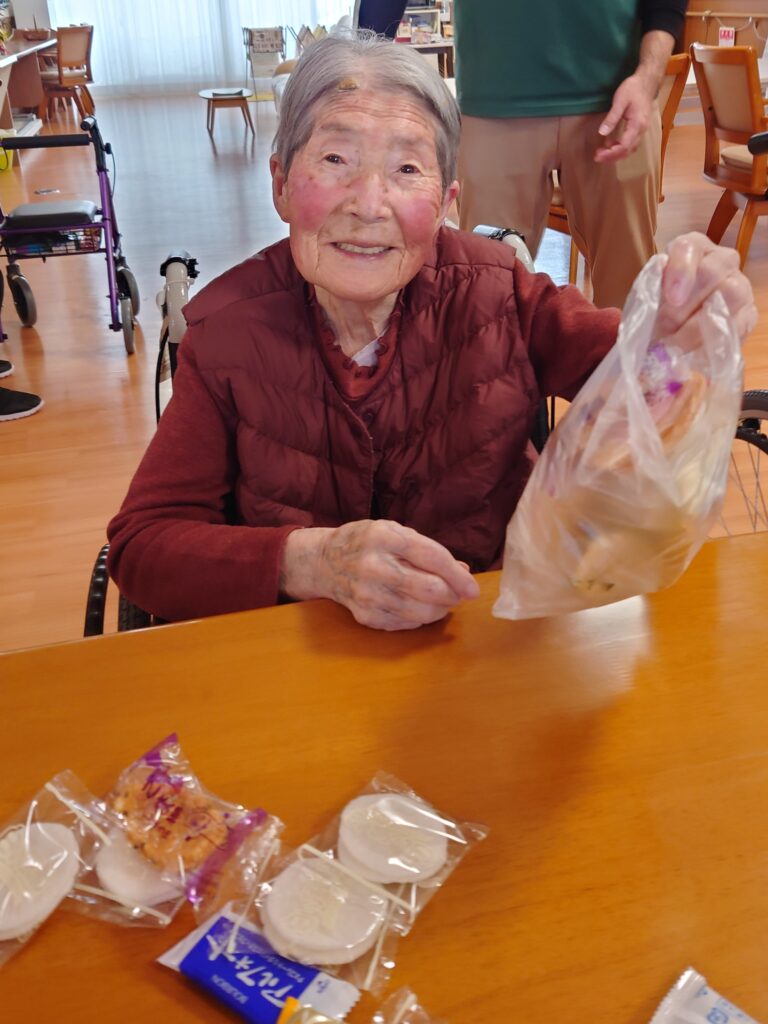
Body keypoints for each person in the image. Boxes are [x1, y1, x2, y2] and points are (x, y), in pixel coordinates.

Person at [107, 32, 755, 633]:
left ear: (447, 202)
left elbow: (643, 371)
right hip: (302, 656)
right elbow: (142, 546)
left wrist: (688, 334)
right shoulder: (227, 330)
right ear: (280, 184)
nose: (369, 204)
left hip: (491, 636)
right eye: (335, 158)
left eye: (407, 169)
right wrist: (312, 562)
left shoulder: (500, 289)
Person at [454, 1, 688, 309]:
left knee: (630, 298)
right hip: (492, 101)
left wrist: (648, 77)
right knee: (486, 297)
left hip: (616, 101)